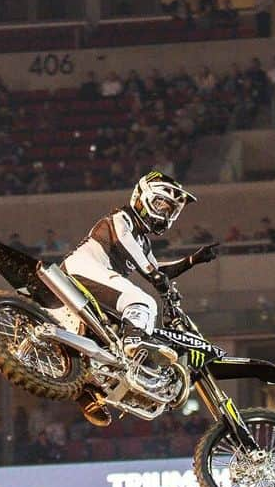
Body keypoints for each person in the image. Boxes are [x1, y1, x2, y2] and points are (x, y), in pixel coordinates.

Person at [59, 171, 217, 426]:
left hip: (94, 281)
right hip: (84, 269)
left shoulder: (143, 242)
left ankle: (86, 389)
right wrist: (155, 277)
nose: (165, 214)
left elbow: (157, 270)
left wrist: (192, 260)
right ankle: (134, 341)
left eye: (170, 211)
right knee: (142, 303)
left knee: (105, 345)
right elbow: (136, 256)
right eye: (161, 205)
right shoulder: (122, 219)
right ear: (141, 198)